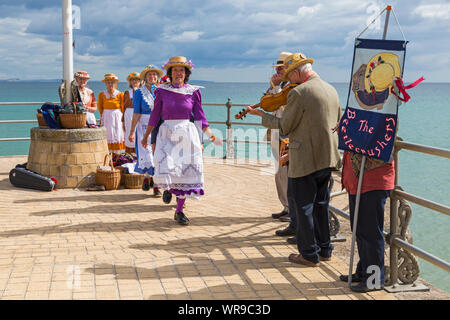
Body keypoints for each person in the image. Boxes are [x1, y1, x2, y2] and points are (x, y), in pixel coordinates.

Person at [247, 53, 341, 267]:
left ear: (298, 72)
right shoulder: (331, 89)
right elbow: (335, 122)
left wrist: (261, 116)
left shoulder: (299, 92)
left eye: (290, 76)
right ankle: (325, 249)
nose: (288, 80)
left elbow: (285, 126)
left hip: (305, 159)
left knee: (303, 207)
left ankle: (308, 254)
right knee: (321, 205)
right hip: (328, 157)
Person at [141, 56, 222, 225]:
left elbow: (200, 117)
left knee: (185, 172)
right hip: (167, 134)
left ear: (186, 73)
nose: (179, 73)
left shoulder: (193, 92)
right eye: (175, 70)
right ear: (170, 73)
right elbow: (155, 115)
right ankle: (169, 189)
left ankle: (179, 211)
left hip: (187, 134)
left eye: (182, 70)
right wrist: (146, 135)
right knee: (168, 167)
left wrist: (211, 136)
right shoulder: (161, 91)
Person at [339, 151, 394, 292]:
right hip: (357, 181)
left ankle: (374, 280)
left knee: (370, 233)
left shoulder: (384, 127)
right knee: (360, 230)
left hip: (371, 181)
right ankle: (364, 271)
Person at [267, 52, 298, 243]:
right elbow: (269, 105)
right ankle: (286, 206)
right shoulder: (278, 86)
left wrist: (276, 87)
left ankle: (290, 209)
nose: (278, 71)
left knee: (286, 172)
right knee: (278, 172)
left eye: (281, 67)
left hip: (285, 135)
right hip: (276, 133)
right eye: (277, 68)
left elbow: (282, 105)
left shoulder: (292, 87)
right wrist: (273, 86)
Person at [128, 65, 163, 197]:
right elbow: (136, 113)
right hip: (143, 128)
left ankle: (152, 181)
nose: (152, 77)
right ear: (145, 77)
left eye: (154, 74)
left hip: (159, 128)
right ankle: (153, 182)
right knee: (148, 156)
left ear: (157, 77)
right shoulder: (138, 93)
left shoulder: (161, 91)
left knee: (158, 156)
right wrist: (132, 131)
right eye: (149, 74)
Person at [98, 73, 125, 154]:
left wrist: (123, 120)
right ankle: (107, 153)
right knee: (108, 133)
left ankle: (118, 154)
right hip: (106, 117)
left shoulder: (120, 94)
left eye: (112, 82)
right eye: (108, 82)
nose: (110, 84)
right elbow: (100, 107)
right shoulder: (102, 94)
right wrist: (103, 117)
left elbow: (123, 107)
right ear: (106, 83)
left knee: (117, 133)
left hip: (117, 117)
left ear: (115, 83)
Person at [123, 72, 141, 154]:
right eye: (133, 80)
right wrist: (122, 120)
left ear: (140, 81)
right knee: (128, 134)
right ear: (130, 82)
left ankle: (139, 154)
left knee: (139, 134)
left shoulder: (143, 92)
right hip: (128, 115)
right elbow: (124, 107)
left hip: (139, 115)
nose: (135, 81)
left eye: (137, 79)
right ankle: (130, 155)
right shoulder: (127, 92)